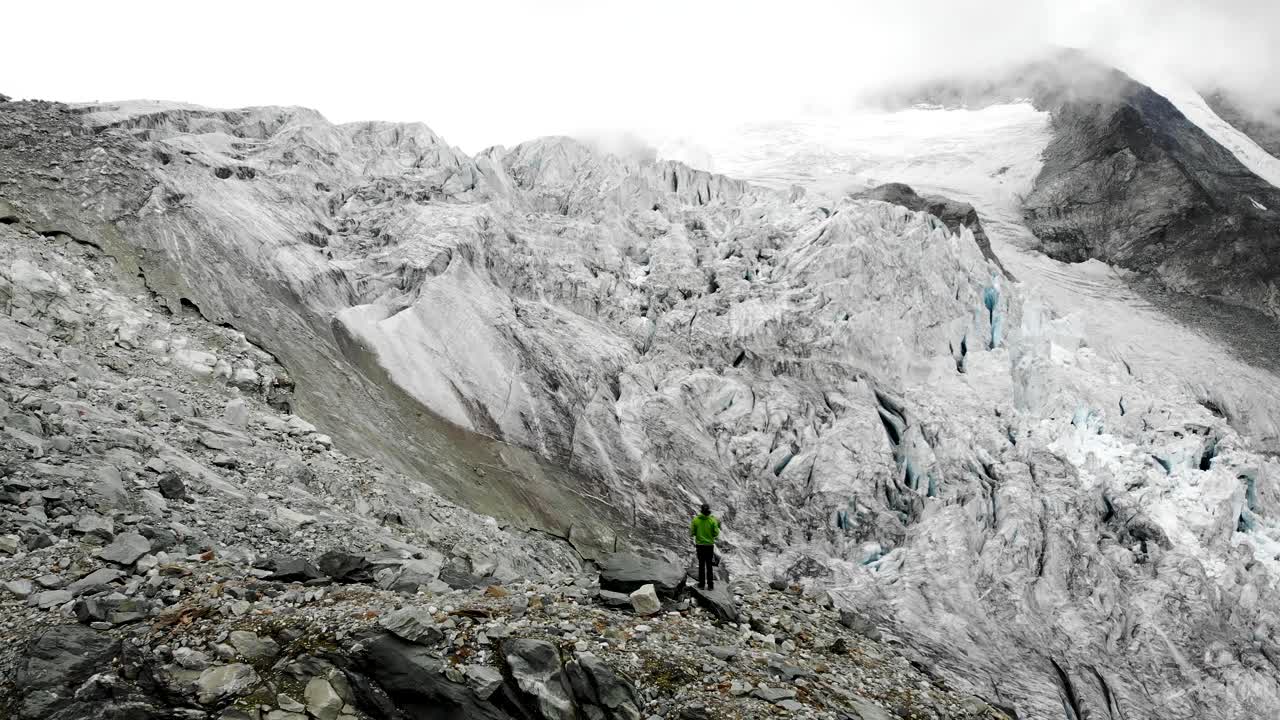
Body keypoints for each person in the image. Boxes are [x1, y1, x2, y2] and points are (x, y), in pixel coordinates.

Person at [690, 502, 720, 590]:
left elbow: (692, 532)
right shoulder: (712, 520)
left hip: (700, 546)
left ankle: (701, 585)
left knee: (701, 565)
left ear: (701, 510)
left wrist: (698, 534)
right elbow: (716, 533)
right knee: (709, 566)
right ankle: (710, 586)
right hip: (709, 546)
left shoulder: (696, 520)